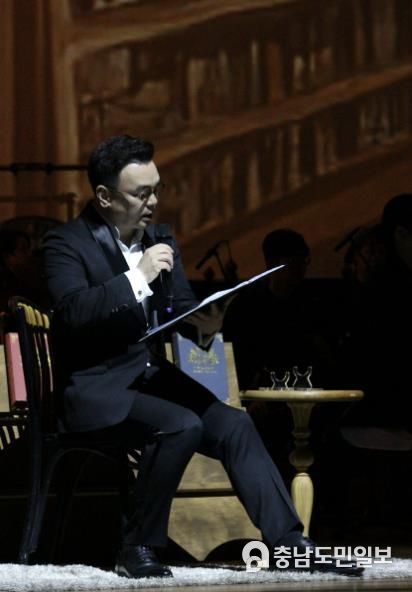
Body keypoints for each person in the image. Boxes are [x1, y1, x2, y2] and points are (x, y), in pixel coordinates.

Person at [42, 135, 362, 578]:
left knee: (235, 424)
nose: (154, 202)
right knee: (182, 424)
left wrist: (206, 323)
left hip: (148, 378)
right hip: (95, 387)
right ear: (104, 196)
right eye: (141, 193)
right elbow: (73, 313)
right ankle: (136, 547)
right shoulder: (65, 243)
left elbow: (181, 309)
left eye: (157, 190)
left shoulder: (160, 240)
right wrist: (137, 278)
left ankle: (290, 543)